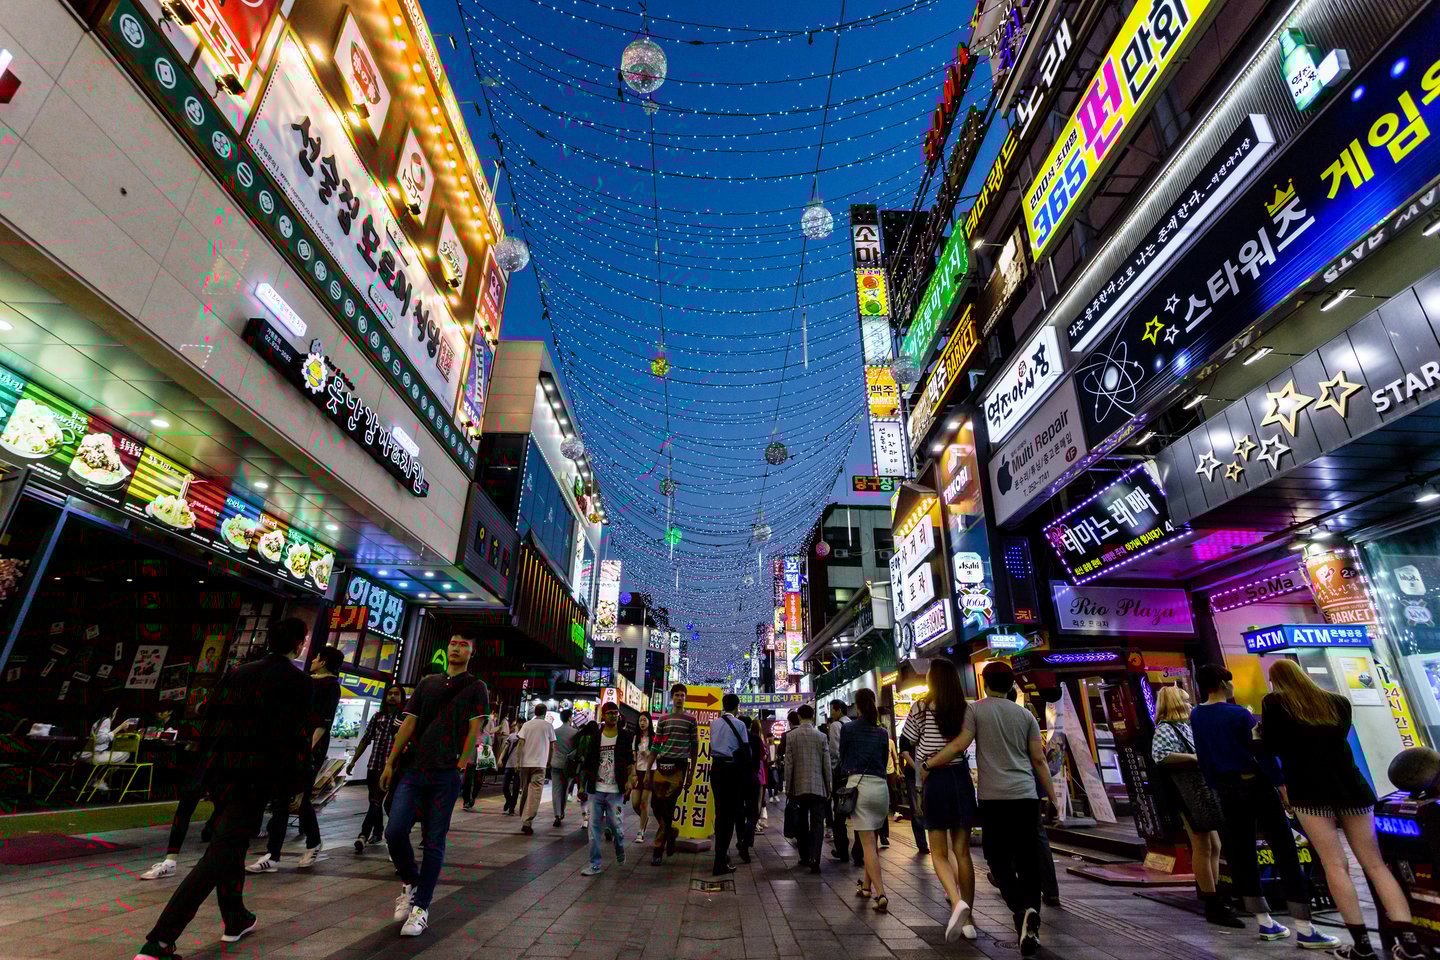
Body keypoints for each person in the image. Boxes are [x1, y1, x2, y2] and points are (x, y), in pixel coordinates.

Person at [132, 619, 312, 960]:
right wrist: (297, 785)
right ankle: (159, 941)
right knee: (220, 853)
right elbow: (294, 737)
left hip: (221, 774)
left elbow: (211, 717)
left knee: (231, 843)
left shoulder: (238, 672)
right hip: (256, 778)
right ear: (299, 643)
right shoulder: (299, 682)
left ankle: (235, 918)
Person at [1262, 660, 1422, 959]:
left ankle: (1361, 946)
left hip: (1309, 793)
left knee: (1335, 865)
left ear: (1276, 681)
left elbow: (1269, 745)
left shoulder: (1275, 703)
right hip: (1352, 788)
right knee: (1375, 865)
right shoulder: (1337, 702)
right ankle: (1410, 943)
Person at [1190, 663, 1335, 947]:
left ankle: (1264, 922)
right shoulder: (1239, 714)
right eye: (1229, 680)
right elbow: (1261, 752)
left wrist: (1216, 785)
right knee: (1284, 849)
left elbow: (1204, 757)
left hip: (1226, 791)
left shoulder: (1196, 715)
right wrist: (1281, 785)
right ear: (1222, 682)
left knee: (1242, 854)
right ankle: (1304, 926)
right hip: (1256, 785)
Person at [925, 661, 1058, 957]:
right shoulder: (1026, 716)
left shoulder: (976, 710)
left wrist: (930, 763)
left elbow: (960, 745)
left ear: (985, 683)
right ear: (1011, 685)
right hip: (1026, 797)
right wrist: (1053, 798)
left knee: (998, 861)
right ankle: (1030, 916)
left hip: (993, 799)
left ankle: (1020, 909)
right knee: (1027, 859)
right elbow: (1039, 760)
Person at [380, 635, 488, 938]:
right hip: (414, 769)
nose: (455, 647)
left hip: (445, 774)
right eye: (452, 642)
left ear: (471, 651)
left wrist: (461, 763)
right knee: (394, 830)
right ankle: (412, 881)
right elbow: (409, 723)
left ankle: (421, 907)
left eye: (463, 644)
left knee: (434, 839)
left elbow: (473, 729)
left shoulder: (476, 687)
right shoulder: (427, 684)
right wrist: (390, 762)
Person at [1151, 685, 1240, 927]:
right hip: (1188, 794)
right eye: (1186, 701)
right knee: (1202, 844)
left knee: (1214, 844)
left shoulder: (1187, 727)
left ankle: (1214, 891)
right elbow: (1159, 756)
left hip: (1200, 792)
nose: (1191, 705)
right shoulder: (1165, 729)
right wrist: (1194, 758)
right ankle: (1211, 900)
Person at [248, 645, 342, 874]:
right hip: (290, 743)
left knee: (300, 797)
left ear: (324, 661)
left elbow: (322, 722)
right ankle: (273, 855)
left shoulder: (330, 686)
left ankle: (313, 842)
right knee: (282, 798)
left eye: (318, 656)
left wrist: (307, 749)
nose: (313, 659)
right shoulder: (305, 680)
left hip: (309, 747)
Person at [901, 658, 977, 941]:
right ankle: (968, 919)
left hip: (935, 780)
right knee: (962, 851)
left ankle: (956, 902)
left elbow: (906, 742)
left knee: (939, 852)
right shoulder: (965, 709)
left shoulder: (920, 707)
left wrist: (920, 763)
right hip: (961, 778)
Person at [841, 688, 893, 912]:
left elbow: (842, 756)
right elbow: (884, 760)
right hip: (880, 788)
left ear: (857, 706)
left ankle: (881, 893)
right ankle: (865, 887)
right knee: (871, 837)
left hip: (859, 788)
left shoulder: (848, 729)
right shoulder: (882, 733)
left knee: (868, 845)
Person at [347, 682, 406, 852]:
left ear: (401, 697)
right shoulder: (377, 717)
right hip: (374, 765)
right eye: (390, 693)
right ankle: (378, 832)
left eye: (396, 693)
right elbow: (366, 739)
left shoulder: (403, 719)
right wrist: (353, 761)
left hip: (391, 768)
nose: (392, 696)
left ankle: (363, 835)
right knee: (374, 801)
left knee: (376, 800)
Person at [580, 701, 635, 875]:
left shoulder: (625, 736)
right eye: (609, 712)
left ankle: (619, 848)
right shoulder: (596, 736)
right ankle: (595, 864)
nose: (612, 715)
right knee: (593, 828)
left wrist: (629, 780)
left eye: (615, 712)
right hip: (596, 790)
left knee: (617, 827)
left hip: (615, 791)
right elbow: (588, 763)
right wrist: (582, 785)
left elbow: (629, 761)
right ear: (603, 715)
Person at [650, 683, 699, 865]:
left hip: (679, 768)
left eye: (682, 695)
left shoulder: (691, 720)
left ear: (686, 698)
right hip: (661, 767)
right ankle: (670, 832)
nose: (680, 698)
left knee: (668, 808)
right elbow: (655, 745)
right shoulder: (663, 719)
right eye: (677, 695)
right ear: (672, 697)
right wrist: (648, 770)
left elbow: (695, 748)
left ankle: (658, 848)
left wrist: (691, 774)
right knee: (655, 805)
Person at [784, 703, 831, 872]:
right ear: (812, 717)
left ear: (798, 717)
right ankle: (815, 858)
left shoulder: (791, 736)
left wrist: (787, 787)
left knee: (802, 822)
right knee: (818, 823)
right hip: (818, 787)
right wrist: (828, 786)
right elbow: (826, 765)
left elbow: (788, 765)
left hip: (798, 787)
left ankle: (804, 856)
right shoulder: (821, 736)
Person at [709, 693, 752, 874]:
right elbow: (745, 749)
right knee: (730, 816)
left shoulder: (713, 724)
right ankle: (720, 860)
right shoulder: (740, 724)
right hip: (732, 771)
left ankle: (720, 856)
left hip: (716, 770)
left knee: (720, 814)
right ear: (737, 707)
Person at [516, 703, 557, 835]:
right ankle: (527, 821)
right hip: (540, 764)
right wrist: (549, 761)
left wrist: (518, 761)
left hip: (525, 763)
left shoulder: (526, 725)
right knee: (535, 794)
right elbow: (552, 747)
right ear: (545, 713)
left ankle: (523, 815)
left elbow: (520, 744)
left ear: (535, 712)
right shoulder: (549, 726)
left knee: (525, 791)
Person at [826, 699, 857, 864]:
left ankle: (842, 850)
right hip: (856, 775)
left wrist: (832, 773)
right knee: (857, 813)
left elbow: (834, 752)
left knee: (839, 815)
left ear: (838, 710)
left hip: (842, 775)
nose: (831, 713)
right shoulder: (853, 725)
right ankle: (858, 850)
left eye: (832, 710)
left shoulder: (836, 726)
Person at [550, 709, 582, 828]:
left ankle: (557, 814)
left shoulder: (555, 731)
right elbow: (577, 750)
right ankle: (561, 812)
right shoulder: (575, 732)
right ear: (569, 718)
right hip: (568, 765)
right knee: (564, 789)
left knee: (556, 790)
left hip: (556, 763)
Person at [630, 711, 655, 843]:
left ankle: (640, 831)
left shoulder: (654, 737)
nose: (642, 723)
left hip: (650, 772)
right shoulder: (636, 738)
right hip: (638, 772)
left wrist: (649, 754)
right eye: (640, 721)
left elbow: (659, 755)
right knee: (635, 804)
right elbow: (633, 757)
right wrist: (633, 773)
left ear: (649, 722)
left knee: (644, 803)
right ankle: (645, 819)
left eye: (645, 720)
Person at [500, 720, 522, 814]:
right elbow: (506, 748)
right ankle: (508, 800)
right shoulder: (512, 736)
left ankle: (512, 808)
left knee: (516, 788)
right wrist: (500, 759)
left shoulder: (526, 737)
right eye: (519, 723)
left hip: (520, 765)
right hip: (509, 764)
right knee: (505, 786)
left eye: (522, 723)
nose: (520, 725)